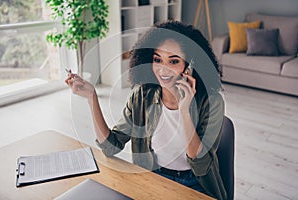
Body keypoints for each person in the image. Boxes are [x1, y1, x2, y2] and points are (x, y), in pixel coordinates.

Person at [65, 20, 227, 200]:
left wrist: (184, 110)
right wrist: (91, 97)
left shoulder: (212, 102)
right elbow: (110, 147)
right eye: (157, 59)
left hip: (196, 185)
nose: (163, 69)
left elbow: (200, 165)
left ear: (189, 66)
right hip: (153, 177)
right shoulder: (142, 96)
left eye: (173, 61)